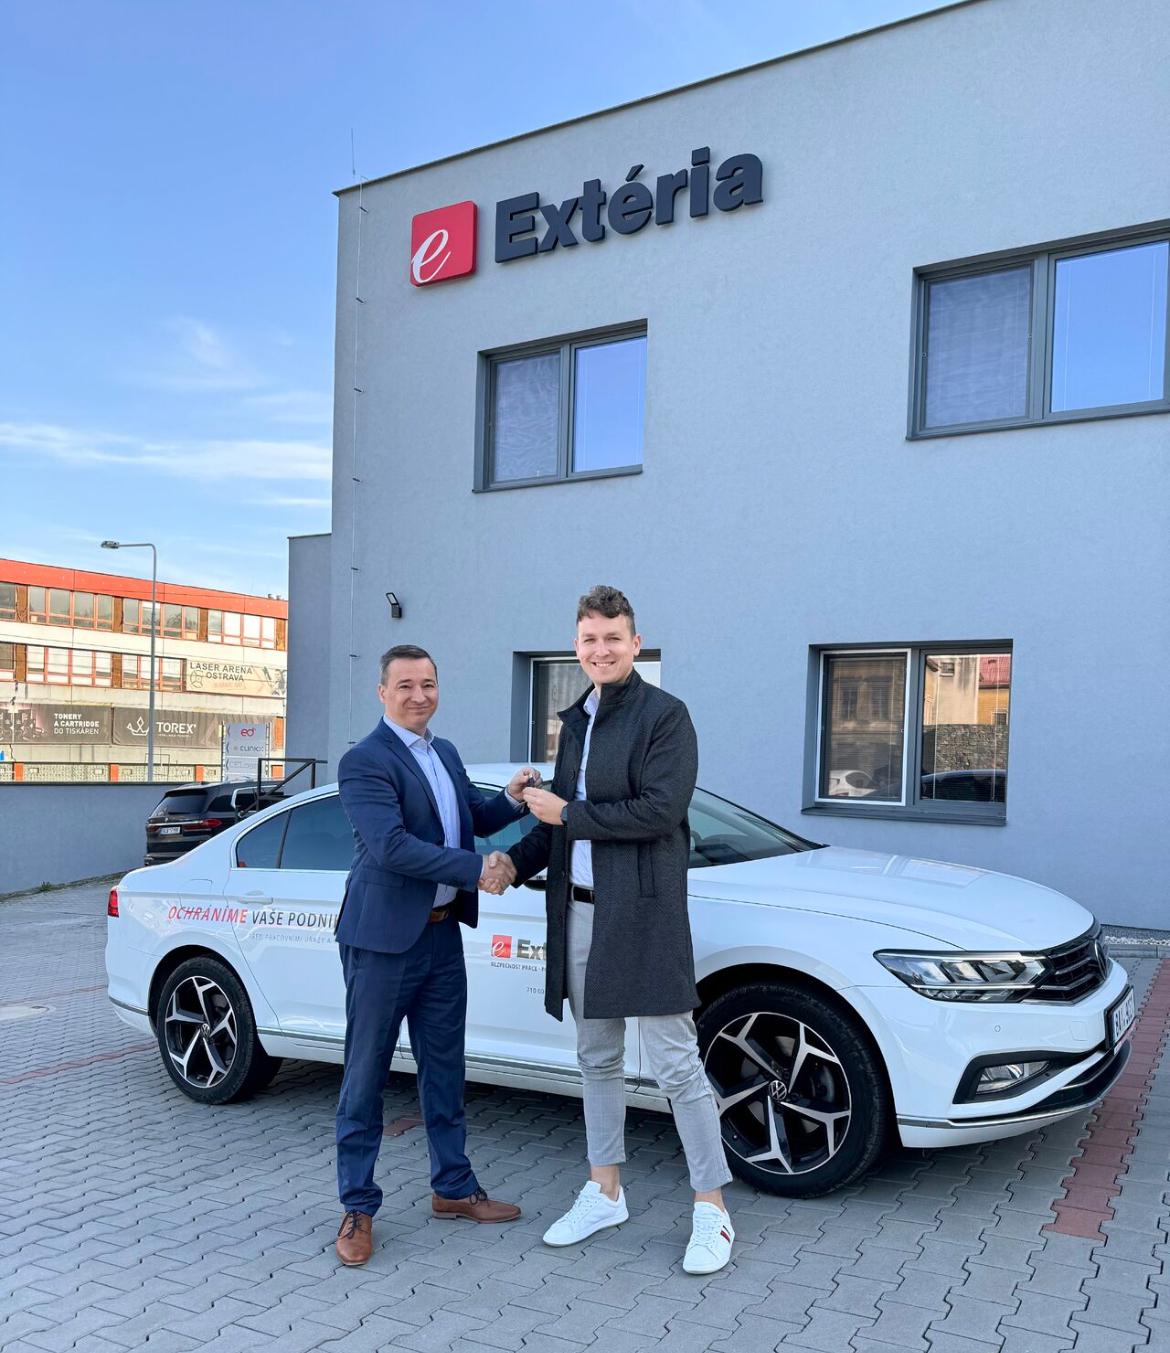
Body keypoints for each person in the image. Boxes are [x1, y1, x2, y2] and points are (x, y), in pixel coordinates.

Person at [507, 587, 735, 1275]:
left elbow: (659, 811)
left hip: (643, 912)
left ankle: (712, 1208)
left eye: (613, 638)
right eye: (589, 639)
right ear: (576, 647)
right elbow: (559, 824)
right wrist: (509, 863)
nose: (601, 649)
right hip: (578, 910)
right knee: (597, 1057)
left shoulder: (667, 716)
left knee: (676, 1063)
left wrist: (566, 813)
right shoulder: (576, 720)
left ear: (636, 644)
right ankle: (605, 1191)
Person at [333, 643, 533, 1267]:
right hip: (382, 942)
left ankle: (453, 1187)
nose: (419, 695)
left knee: (444, 1069)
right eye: (405, 685)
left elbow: (471, 814)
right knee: (365, 1075)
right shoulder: (364, 761)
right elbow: (390, 847)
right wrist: (478, 869)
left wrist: (512, 798)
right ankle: (357, 1206)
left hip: (442, 937)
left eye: (428, 684)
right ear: (382, 692)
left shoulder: (442, 752)